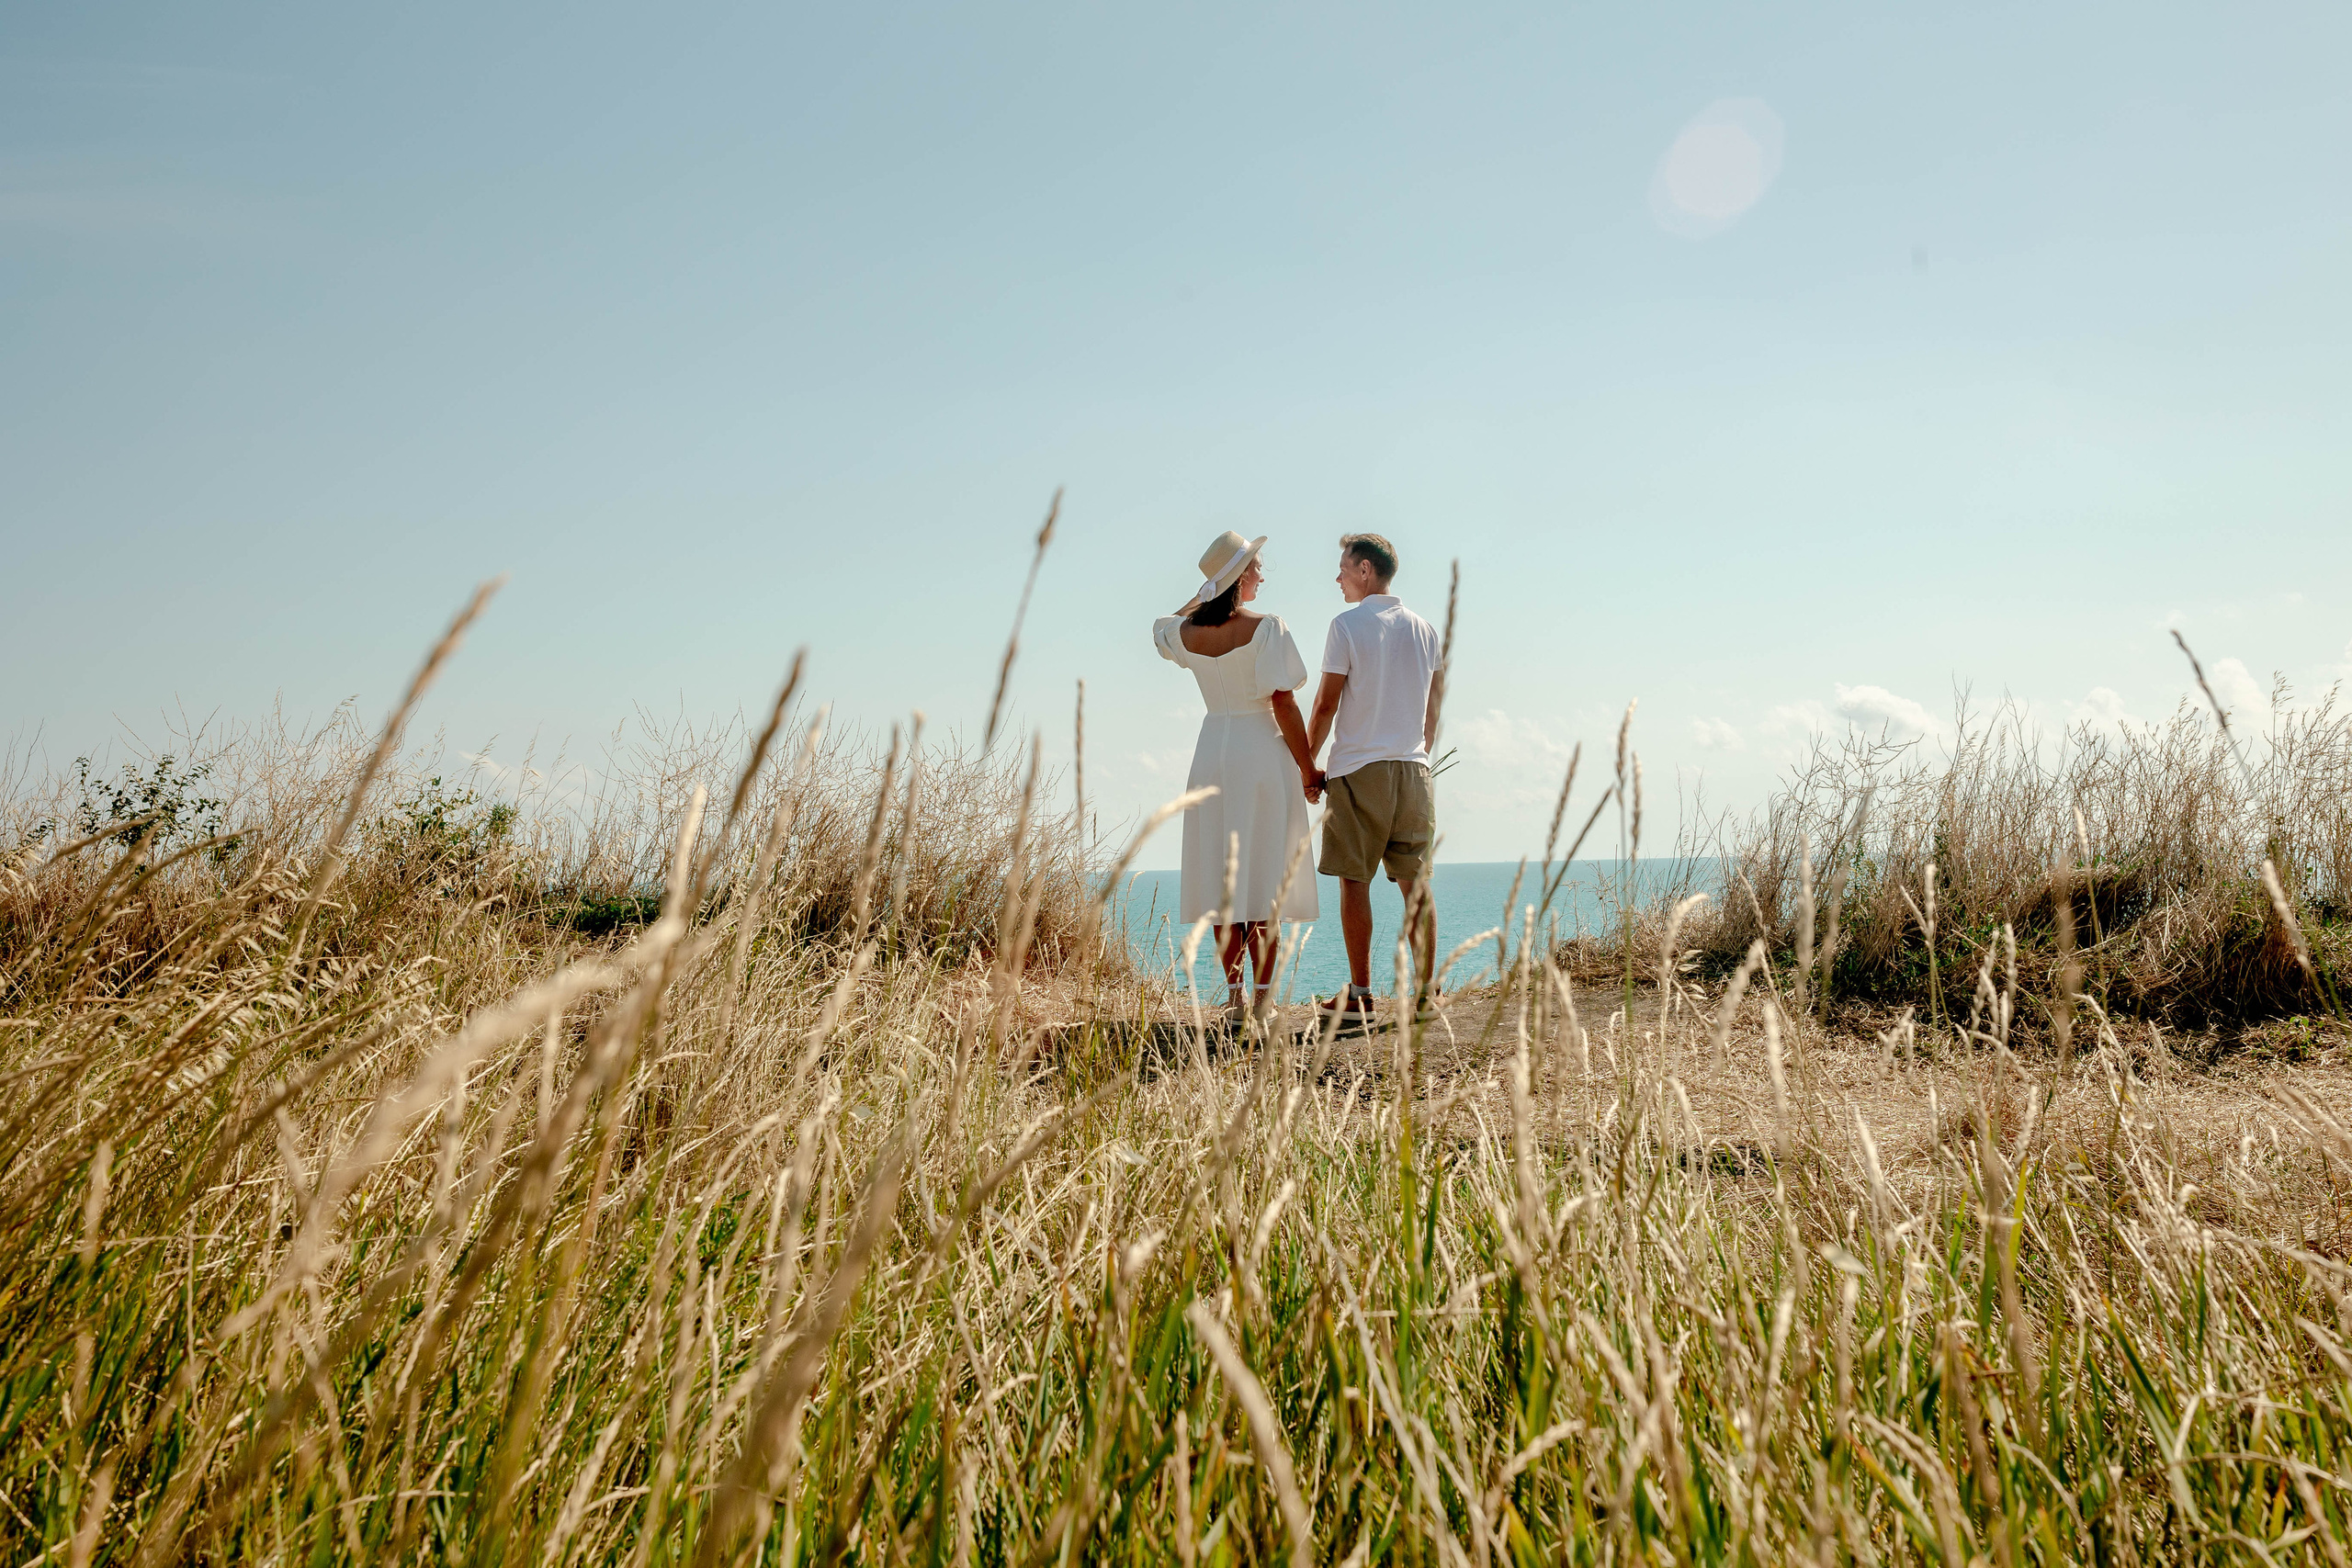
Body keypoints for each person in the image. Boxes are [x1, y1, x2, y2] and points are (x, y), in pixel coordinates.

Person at [1153, 531, 1321, 1014]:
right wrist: (1308, 765)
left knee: (1225, 880)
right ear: (1240, 577)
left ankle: (1233, 997)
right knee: (1264, 875)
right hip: (1261, 751)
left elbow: (1161, 626)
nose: (1262, 576)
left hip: (1212, 752)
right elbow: (1283, 701)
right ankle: (1264, 999)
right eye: (1256, 567)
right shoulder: (1268, 628)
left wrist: (1204, 595)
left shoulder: (1187, 635)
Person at [1303, 533, 1443, 1027]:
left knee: (1354, 880)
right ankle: (1426, 993)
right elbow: (1433, 709)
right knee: (1415, 883)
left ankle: (1361, 995)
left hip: (1359, 768)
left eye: (1343, 567)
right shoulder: (1425, 629)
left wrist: (1307, 764)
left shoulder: (1346, 625)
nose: (1337, 577)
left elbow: (1325, 703)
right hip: (1414, 770)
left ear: (1365, 570)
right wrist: (1417, 750)